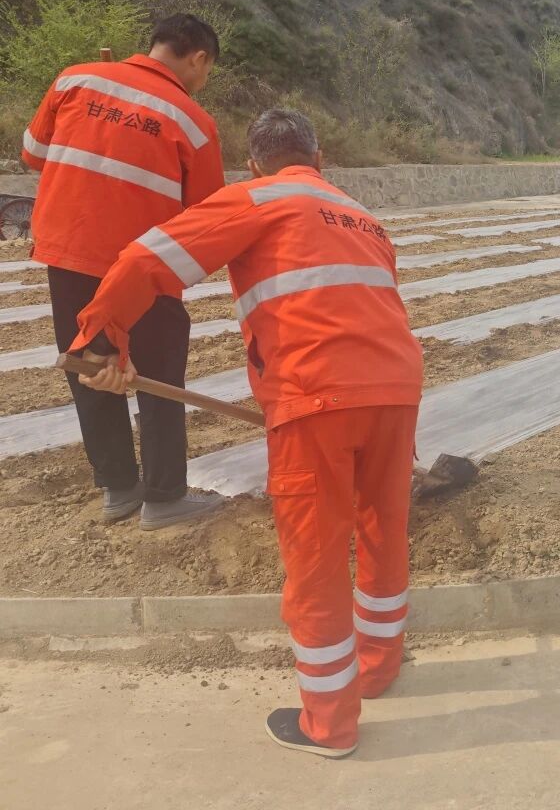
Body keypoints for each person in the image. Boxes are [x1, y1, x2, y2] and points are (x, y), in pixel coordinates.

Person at [70, 109, 425, 759]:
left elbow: (150, 258)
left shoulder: (258, 197)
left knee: (316, 559)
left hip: (315, 394)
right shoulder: (363, 218)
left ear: (254, 165)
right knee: (384, 528)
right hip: (396, 389)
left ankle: (329, 725)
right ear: (321, 158)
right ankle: (378, 668)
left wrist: (100, 339)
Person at [20, 14, 225, 529]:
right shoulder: (194, 122)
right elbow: (204, 212)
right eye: (206, 71)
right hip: (144, 267)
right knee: (158, 373)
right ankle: (165, 497)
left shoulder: (74, 80)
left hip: (69, 253)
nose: (202, 81)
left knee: (87, 365)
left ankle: (118, 488)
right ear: (198, 57)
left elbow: (33, 154)